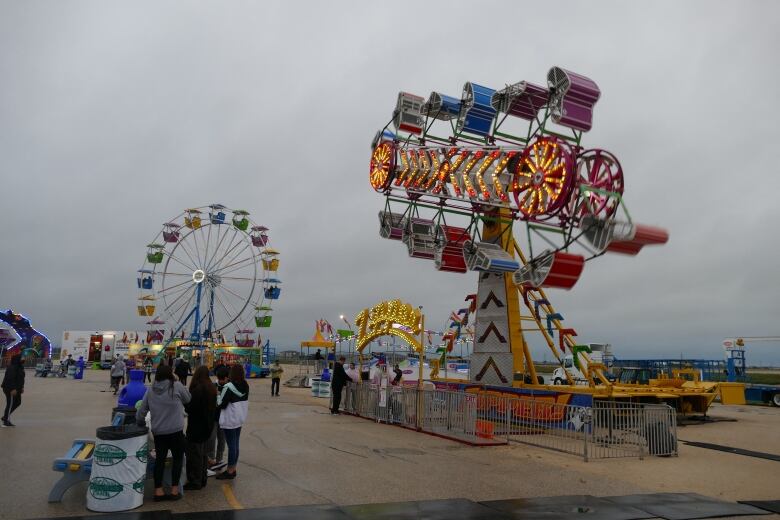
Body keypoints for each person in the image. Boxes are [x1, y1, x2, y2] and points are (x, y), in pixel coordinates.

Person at [136, 364, 191, 501]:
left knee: (160, 460)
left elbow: (141, 412)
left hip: (159, 432)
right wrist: (177, 381)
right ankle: (174, 490)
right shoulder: (176, 386)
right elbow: (188, 399)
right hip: (176, 431)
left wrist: (141, 423)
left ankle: (158, 491)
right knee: (177, 459)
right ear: (170, 374)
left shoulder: (150, 390)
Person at [184, 366, 216, 490]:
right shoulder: (211, 388)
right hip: (207, 426)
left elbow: (190, 408)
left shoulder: (197, 390)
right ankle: (203, 478)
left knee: (194, 454)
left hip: (196, 426)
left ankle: (195, 480)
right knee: (202, 454)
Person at [216, 364, 249, 480]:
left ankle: (230, 471)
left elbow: (221, 404)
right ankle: (233, 468)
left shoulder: (229, 386)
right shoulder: (245, 385)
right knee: (236, 444)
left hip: (230, 419)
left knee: (231, 445)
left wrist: (217, 396)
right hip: (239, 418)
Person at [206, 366, 229, 474]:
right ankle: (211, 461)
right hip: (213, 418)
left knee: (222, 439)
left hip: (224, 419)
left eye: (222, 379)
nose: (221, 381)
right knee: (211, 439)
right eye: (219, 379)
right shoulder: (212, 386)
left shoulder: (229, 387)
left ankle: (219, 461)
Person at [2, 354, 25, 427]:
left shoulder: (20, 367)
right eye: (22, 358)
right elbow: (10, 379)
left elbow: (21, 378)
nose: (23, 359)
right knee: (10, 404)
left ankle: (5, 416)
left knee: (18, 402)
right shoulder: (12, 367)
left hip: (17, 388)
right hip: (10, 389)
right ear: (17, 359)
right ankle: (6, 421)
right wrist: (12, 389)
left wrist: (21, 387)